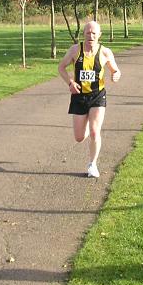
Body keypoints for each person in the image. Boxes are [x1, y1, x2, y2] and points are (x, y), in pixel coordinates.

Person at [58, 21, 121, 178]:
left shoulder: (105, 52)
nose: (91, 36)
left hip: (97, 96)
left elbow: (116, 70)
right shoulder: (74, 50)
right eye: (88, 33)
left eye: (94, 33)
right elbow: (61, 67)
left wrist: (115, 75)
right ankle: (86, 129)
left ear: (99, 35)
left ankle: (92, 164)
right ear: (84, 34)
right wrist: (70, 83)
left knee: (94, 132)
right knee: (79, 137)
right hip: (79, 96)